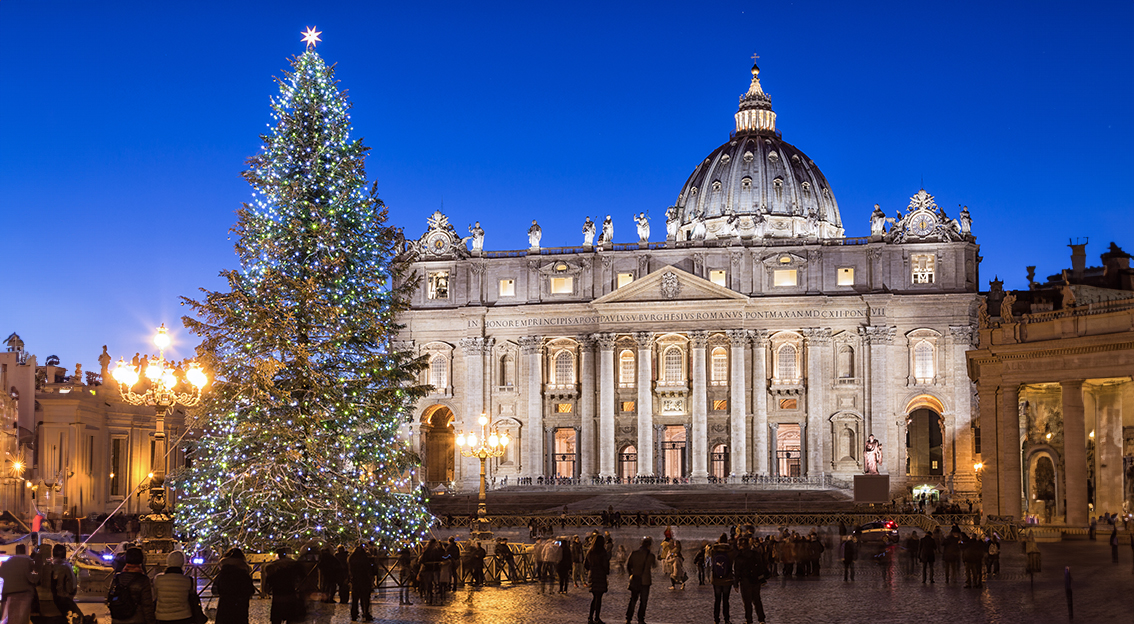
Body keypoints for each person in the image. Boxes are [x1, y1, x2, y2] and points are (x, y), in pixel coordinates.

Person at [107, 547, 155, 624]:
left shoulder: (117, 577)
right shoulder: (143, 580)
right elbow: (147, 606)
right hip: (137, 619)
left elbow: (110, 597)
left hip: (118, 619)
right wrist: (151, 621)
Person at [35, 544, 79, 624]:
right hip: (62, 604)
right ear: (64, 554)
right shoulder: (67, 567)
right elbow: (71, 588)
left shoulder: (46, 567)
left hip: (43, 605)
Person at [153, 551, 202, 624]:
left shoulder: (158, 579)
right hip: (184, 616)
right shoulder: (187, 580)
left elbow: (155, 595)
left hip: (162, 616)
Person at [263, 547, 305, 624]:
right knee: (290, 617)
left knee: (277, 618)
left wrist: (266, 589)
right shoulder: (293, 565)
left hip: (278, 595)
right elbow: (302, 575)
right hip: (290, 593)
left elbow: (269, 581)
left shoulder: (272, 567)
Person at [213, 549, 255, 624]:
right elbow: (251, 590)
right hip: (240, 607)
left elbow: (215, 590)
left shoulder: (223, 573)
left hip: (224, 607)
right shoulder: (244, 574)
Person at [1, 543, 39, 624]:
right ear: (25, 551)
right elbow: (33, 579)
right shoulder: (28, 561)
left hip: (7, 595)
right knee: (21, 620)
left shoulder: (7, 562)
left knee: (9, 619)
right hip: (23, 595)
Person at [733, 536, 768, 624]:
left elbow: (737, 572)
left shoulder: (739, 557)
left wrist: (736, 584)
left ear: (740, 545)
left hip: (745, 581)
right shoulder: (755, 554)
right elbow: (761, 566)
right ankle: (761, 619)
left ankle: (749, 619)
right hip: (756, 580)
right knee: (757, 600)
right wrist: (762, 578)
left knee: (747, 602)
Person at [625, 537, 656, 624]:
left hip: (635, 579)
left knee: (633, 599)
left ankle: (628, 617)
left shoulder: (634, 553)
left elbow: (628, 566)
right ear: (649, 545)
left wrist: (631, 574)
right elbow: (654, 565)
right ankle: (640, 619)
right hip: (645, 581)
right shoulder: (650, 555)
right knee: (643, 601)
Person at [709, 536, 733, 624]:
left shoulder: (714, 551)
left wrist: (716, 543)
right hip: (727, 579)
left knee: (717, 600)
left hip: (716, 580)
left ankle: (716, 619)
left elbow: (709, 551)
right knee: (726, 600)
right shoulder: (730, 552)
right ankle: (726, 619)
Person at [584, 536, 609, 624]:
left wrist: (591, 570)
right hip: (600, 575)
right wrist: (606, 571)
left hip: (592, 575)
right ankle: (597, 617)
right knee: (599, 598)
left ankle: (590, 617)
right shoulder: (602, 552)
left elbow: (586, 564)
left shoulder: (590, 552)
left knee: (595, 597)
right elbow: (605, 565)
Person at [348, 545, 374, 621]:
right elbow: (368, 570)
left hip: (355, 581)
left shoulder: (351, 559)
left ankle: (354, 614)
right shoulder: (364, 559)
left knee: (355, 599)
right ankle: (366, 613)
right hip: (364, 581)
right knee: (365, 599)